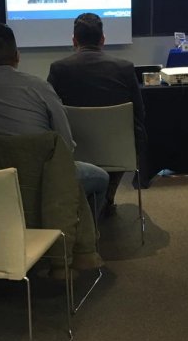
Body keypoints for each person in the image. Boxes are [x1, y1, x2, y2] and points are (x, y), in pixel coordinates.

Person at [0, 23, 107, 269]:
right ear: (17, 55)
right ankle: (79, 243)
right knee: (100, 178)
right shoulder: (38, 87)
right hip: (46, 180)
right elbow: (65, 142)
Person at [48, 12, 147, 215]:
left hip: (76, 148)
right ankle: (108, 194)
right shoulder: (125, 68)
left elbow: (50, 112)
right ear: (103, 40)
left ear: (74, 41)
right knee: (135, 134)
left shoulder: (59, 69)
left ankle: (87, 196)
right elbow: (139, 112)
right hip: (119, 149)